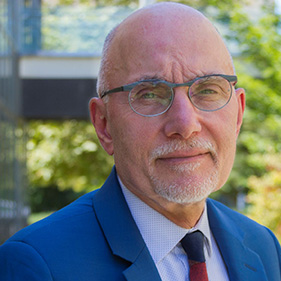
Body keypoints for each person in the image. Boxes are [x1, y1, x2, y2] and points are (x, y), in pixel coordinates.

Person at [0, 2, 280, 281]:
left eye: (207, 90)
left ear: (238, 115)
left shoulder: (264, 247)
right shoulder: (37, 265)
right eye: (149, 94)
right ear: (104, 124)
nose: (185, 125)